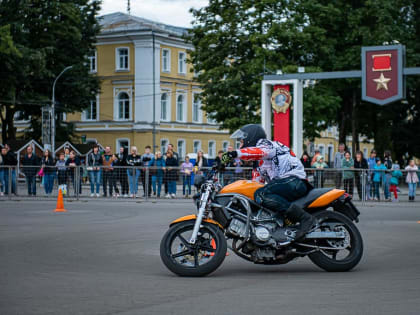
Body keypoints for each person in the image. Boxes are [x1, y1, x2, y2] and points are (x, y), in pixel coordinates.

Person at [222, 124, 315, 240]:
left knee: (261, 194)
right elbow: (255, 185)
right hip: (285, 184)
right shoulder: (258, 164)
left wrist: (234, 154)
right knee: (257, 196)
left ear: (250, 138)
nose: (240, 146)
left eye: (241, 142)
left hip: (294, 181)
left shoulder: (267, 145)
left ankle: (304, 218)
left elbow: (259, 152)